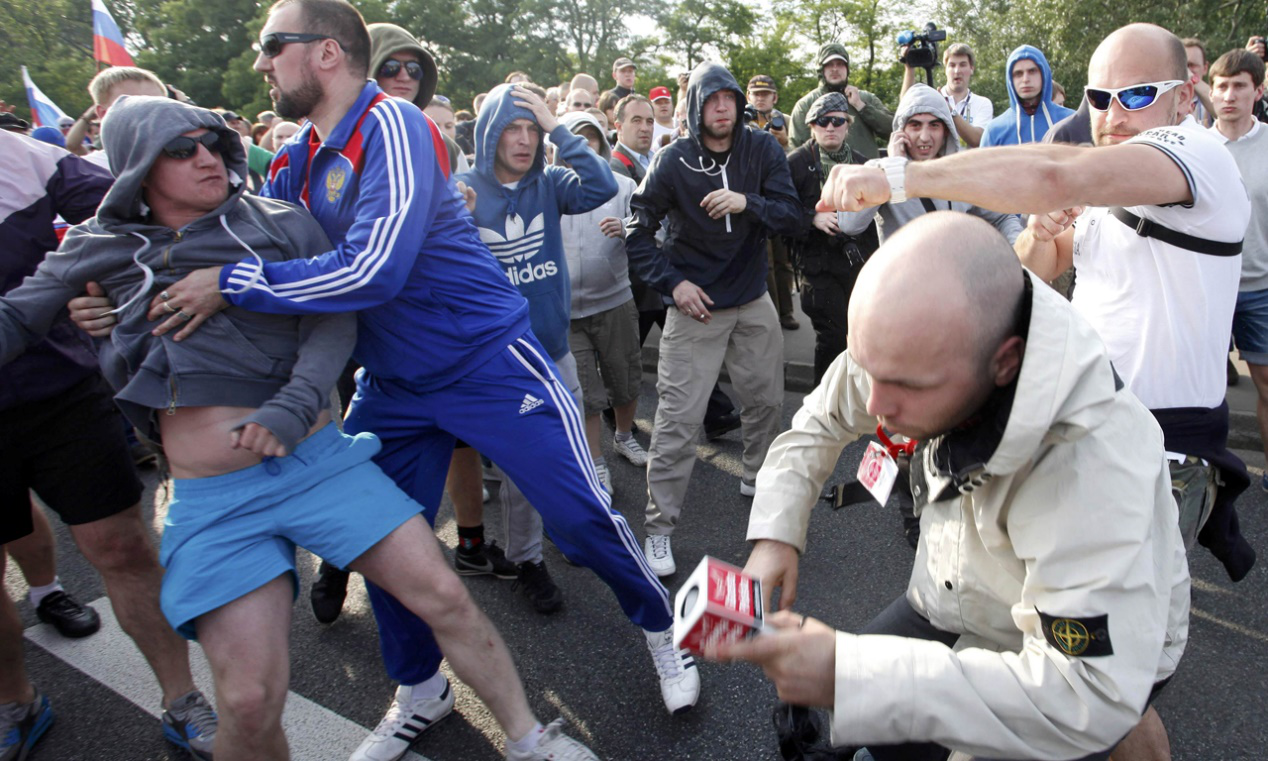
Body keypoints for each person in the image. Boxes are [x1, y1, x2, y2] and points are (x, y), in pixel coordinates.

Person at [104, 2, 699, 756]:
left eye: (270, 47)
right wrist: (111, 291)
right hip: (392, 381)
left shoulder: (394, 126)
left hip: (485, 362)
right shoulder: (291, 160)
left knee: (579, 519)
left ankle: (660, 629)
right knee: (384, 540)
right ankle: (421, 688)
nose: (261, 64)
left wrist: (238, 282)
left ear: (323, 54)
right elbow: (215, 232)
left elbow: (369, 269)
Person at [8, 94, 599, 761]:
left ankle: (528, 739)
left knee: (445, 596)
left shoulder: (278, 221)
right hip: (213, 498)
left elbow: (334, 315)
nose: (205, 156)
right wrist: (95, 319)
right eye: (180, 149)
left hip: (320, 463)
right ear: (136, 164)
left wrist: (294, 402)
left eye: (210, 140)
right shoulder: (100, 247)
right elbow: (19, 316)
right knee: (250, 701)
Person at [819, 22, 1254, 756]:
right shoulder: (1109, 177)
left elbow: (1057, 172)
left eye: (1138, 95)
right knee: (1066, 661)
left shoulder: (1198, 154)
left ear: (1185, 98)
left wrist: (898, 177)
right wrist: (1047, 232)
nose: (1114, 114)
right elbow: (1033, 265)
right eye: (1098, 97)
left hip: (1163, 453)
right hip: (1072, 440)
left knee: (1108, 684)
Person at [718, 211, 1191, 761]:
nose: (876, 407)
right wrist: (777, 530)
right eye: (871, 369)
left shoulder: (1091, 465)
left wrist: (855, 677)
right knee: (875, 721)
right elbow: (822, 416)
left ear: (1005, 362)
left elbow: (1082, 693)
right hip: (951, 593)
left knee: (1106, 714)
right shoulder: (922, 342)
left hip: (1067, 649)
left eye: (907, 387)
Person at [0, 127, 217, 761]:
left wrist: (96, 286)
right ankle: (16, 699)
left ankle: (182, 699)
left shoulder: (31, 160)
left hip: (60, 394)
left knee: (119, 545)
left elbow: (151, 207)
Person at [625, 61, 800, 575]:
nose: (722, 107)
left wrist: (748, 202)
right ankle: (658, 530)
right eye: (712, 98)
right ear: (697, 105)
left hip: (751, 298)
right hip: (694, 305)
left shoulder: (762, 148)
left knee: (767, 402)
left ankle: (756, 476)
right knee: (677, 423)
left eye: (730, 98)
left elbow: (793, 216)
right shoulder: (673, 159)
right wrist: (673, 285)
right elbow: (637, 230)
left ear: (740, 103)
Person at [455, 81, 618, 602]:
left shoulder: (548, 184)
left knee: (570, 459)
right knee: (523, 472)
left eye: (532, 130)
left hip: (555, 349)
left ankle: (567, 532)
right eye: (513, 129)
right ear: (490, 135)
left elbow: (600, 185)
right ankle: (526, 562)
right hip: (502, 363)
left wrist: (558, 127)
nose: (524, 140)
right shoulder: (464, 190)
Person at [610, 94, 745, 442]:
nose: (645, 127)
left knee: (685, 345)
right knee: (627, 356)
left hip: (661, 272)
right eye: (636, 120)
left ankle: (713, 413)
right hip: (636, 276)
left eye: (649, 120)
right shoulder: (615, 166)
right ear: (617, 125)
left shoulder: (656, 158)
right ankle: (618, 418)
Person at [555, 111, 649, 486]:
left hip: (614, 300)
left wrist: (628, 231)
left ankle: (625, 436)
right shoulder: (547, 187)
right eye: (575, 139)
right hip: (565, 311)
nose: (583, 147)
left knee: (624, 379)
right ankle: (595, 462)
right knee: (583, 393)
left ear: (601, 143)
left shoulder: (623, 186)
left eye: (590, 139)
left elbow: (651, 232)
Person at [836, 84, 1023, 246]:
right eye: (915, 126)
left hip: (955, 282)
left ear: (946, 132)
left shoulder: (962, 173)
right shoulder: (879, 170)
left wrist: (1020, 253)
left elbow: (1003, 216)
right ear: (901, 131)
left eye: (934, 126)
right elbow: (849, 225)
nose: (925, 136)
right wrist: (894, 168)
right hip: (905, 284)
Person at [785, 92, 879, 384]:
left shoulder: (865, 165)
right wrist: (810, 218)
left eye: (838, 121)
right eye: (823, 121)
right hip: (816, 265)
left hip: (856, 262)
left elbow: (878, 217)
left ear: (848, 126)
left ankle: (851, 403)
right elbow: (778, 213)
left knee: (859, 334)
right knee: (833, 336)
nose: (830, 127)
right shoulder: (796, 164)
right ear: (812, 125)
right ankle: (822, 407)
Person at [1210, 49, 1268, 488]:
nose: (1228, 95)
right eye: (1221, 86)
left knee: (1266, 387)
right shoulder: (1196, 145)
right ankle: (1203, 472)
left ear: (1258, 90)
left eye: (1239, 86)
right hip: (1207, 284)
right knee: (1203, 389)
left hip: (1261, 288)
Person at [789, 43, 893, 157]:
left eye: (840, 64)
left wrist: (862, 107)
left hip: (867, 171)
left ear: (847, 69)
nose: (835, 69)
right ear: (821, 69)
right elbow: (796, 151)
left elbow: (893, 130)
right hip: (826, 174)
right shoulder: (805, 105)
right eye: (829, 65)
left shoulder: (866, 99)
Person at [64, 66, 168, 166]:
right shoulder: (89, 171)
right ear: (104, 114)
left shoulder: (179, 162)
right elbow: (72, 145)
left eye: (159, 105)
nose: (150, 115)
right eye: (134, 106)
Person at [901, 42, 993, 148]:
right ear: (945, 69)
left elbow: (977, 140)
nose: (957, 71)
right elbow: (905, 107)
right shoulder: (932, 98)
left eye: (962, 65)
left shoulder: (983, 103)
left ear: (971, 69)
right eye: (952, 65)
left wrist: (949, 110)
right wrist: (909, 67)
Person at [980, 45, 1074, 146]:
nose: (1025, 79)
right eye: (1018, 74)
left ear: (1044, 74)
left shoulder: (1070, 121)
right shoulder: (995, 131)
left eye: (1032, 71)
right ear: (1011, 79)